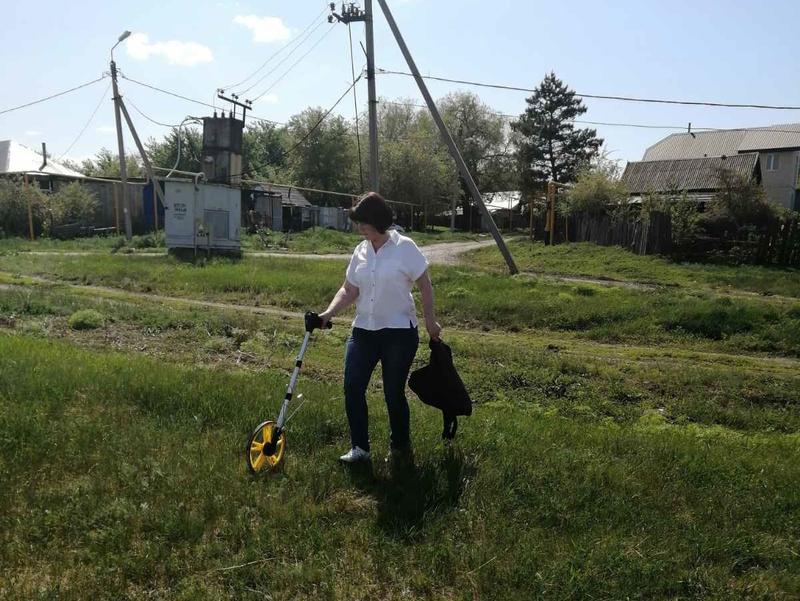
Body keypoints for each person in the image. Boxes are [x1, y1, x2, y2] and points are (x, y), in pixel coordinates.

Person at [318, 192, 441, 464]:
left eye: (364, 223)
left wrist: (430, 320)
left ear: (378, 220)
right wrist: (328, 313)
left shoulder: (404, 247)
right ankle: (360, 448)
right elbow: (349, 289)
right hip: (364, 330)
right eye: (358, 224)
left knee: (392, 392)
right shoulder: (360, 251)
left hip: (399, 333)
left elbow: (425, 285)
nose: (360, 229)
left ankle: (400, 447)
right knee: (352, 386)